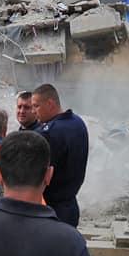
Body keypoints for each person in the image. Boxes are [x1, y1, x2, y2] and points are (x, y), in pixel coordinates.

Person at [31, 83, 89, 228]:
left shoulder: (49, 133)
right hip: (70, 205)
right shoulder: (77, 122)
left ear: (50, 104)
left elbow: (36, 175)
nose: (33, 111)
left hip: (50, 209)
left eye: (36, 106)